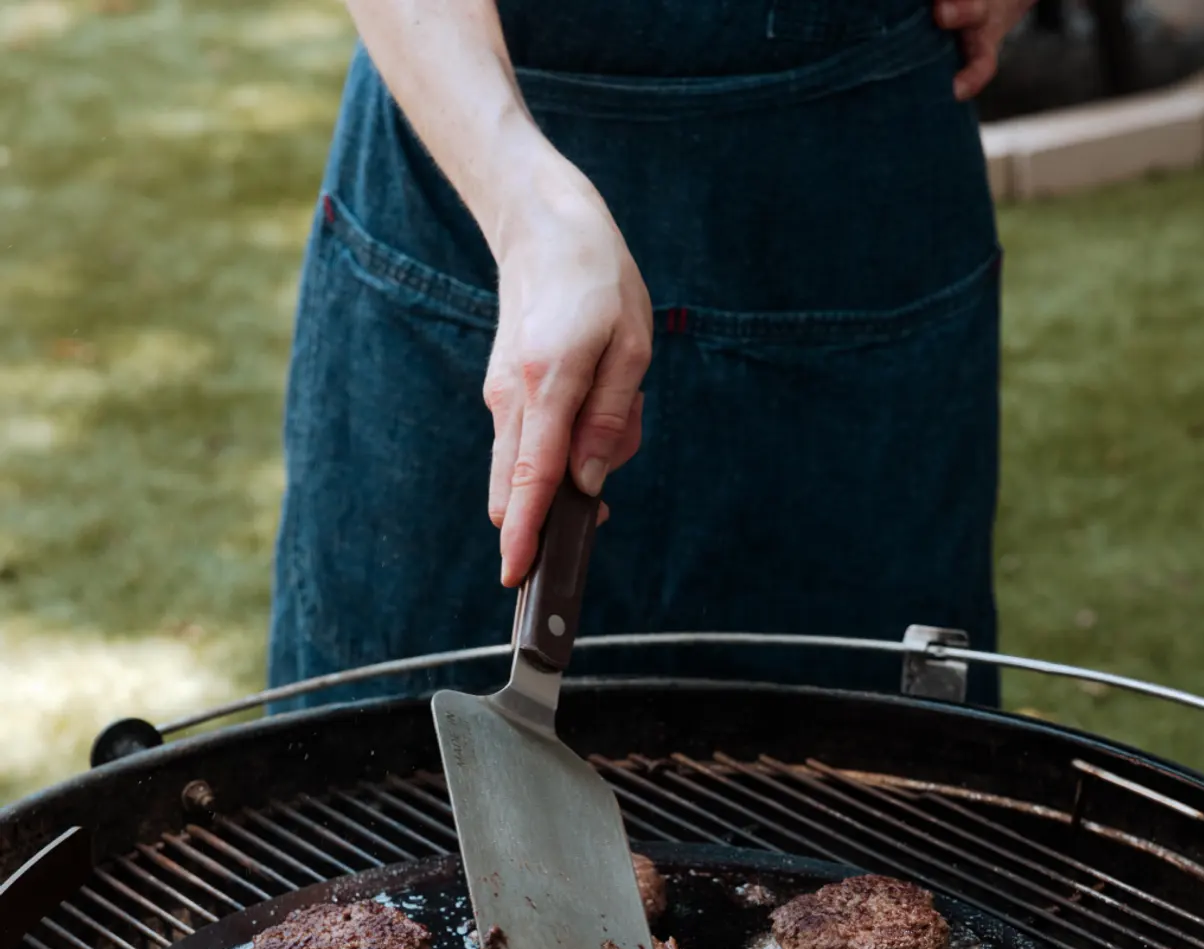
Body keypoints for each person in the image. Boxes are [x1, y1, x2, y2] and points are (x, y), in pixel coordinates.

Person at [268, 0, 1030, 709]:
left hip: (862, 201)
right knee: (386, 795)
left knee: (883, 803)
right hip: (467, 182)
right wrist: (529, 211)